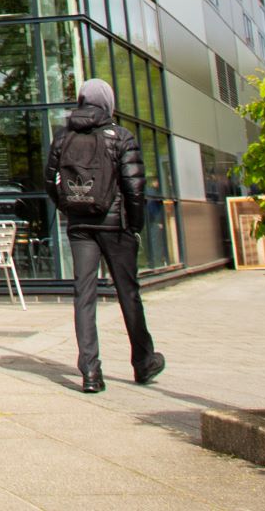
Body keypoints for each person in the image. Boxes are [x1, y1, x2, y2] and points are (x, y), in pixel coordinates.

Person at [47, 78, 165, 393]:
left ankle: (90, 372)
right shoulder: (121, 137)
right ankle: (143, 362)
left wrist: (68, 208)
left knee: (84, 296)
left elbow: (50, 180)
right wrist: (134, 226)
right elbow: (134, 187)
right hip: (116, 226)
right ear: (108, 103)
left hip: (80, 227)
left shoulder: (63, 137)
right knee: (129, 294)